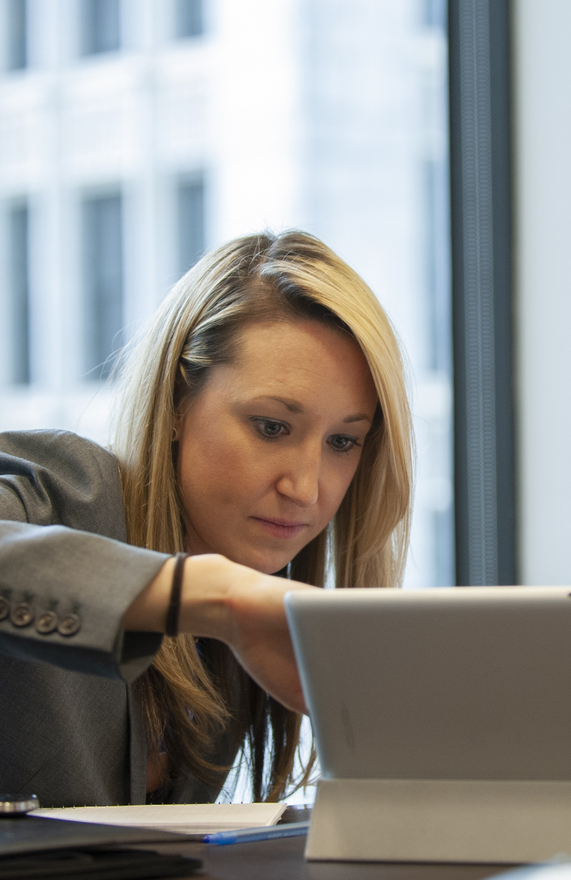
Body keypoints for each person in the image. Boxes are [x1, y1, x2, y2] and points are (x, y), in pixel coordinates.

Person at [0, 230, 413, 807]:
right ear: (174, 403)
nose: (305, 488)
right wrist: (215, 595)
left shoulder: (245, 612)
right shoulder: (60, 495)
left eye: (343, 441)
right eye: (271, 427)